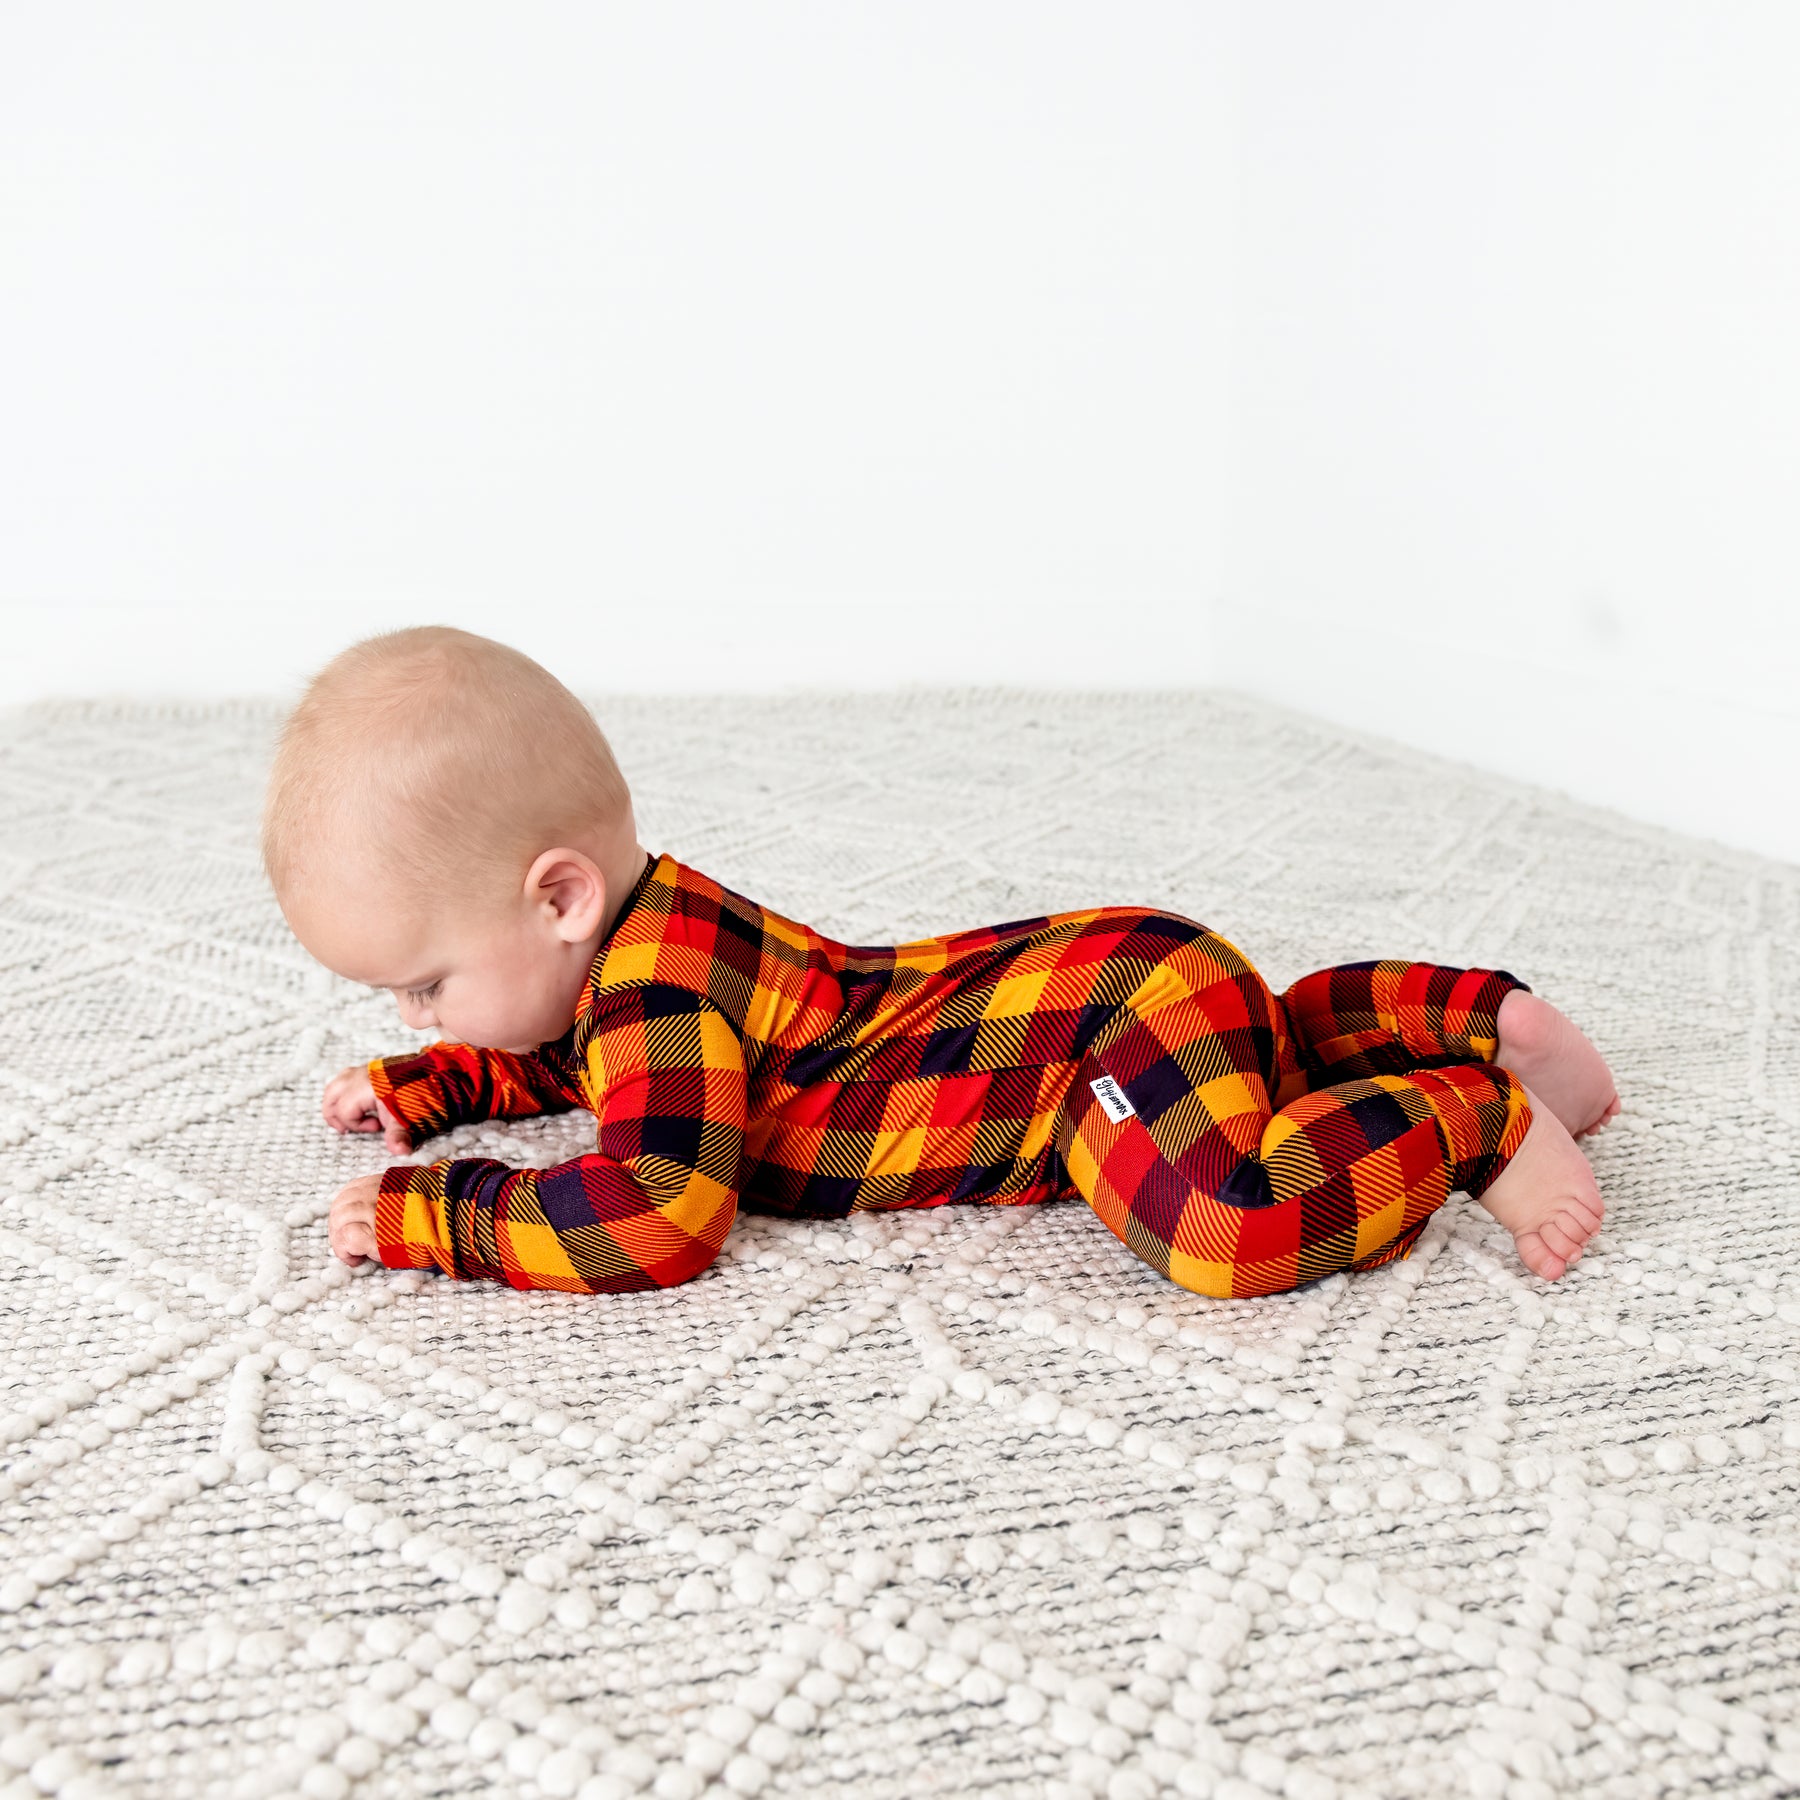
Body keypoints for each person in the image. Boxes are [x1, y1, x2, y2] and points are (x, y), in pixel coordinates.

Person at [262, 627, 1615, 1301]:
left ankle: (1477, 1118)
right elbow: (563, 1049)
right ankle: (1460, 1016)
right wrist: (444, 1081)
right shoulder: (639, 938)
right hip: (1127, 982)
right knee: (1250, 1051)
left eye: (427, 985)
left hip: (1088, 1049)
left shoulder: (656, 998)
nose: (417, 1014)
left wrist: (445, 1216)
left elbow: (658, 1211)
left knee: (1220, 1220)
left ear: (559, 897)